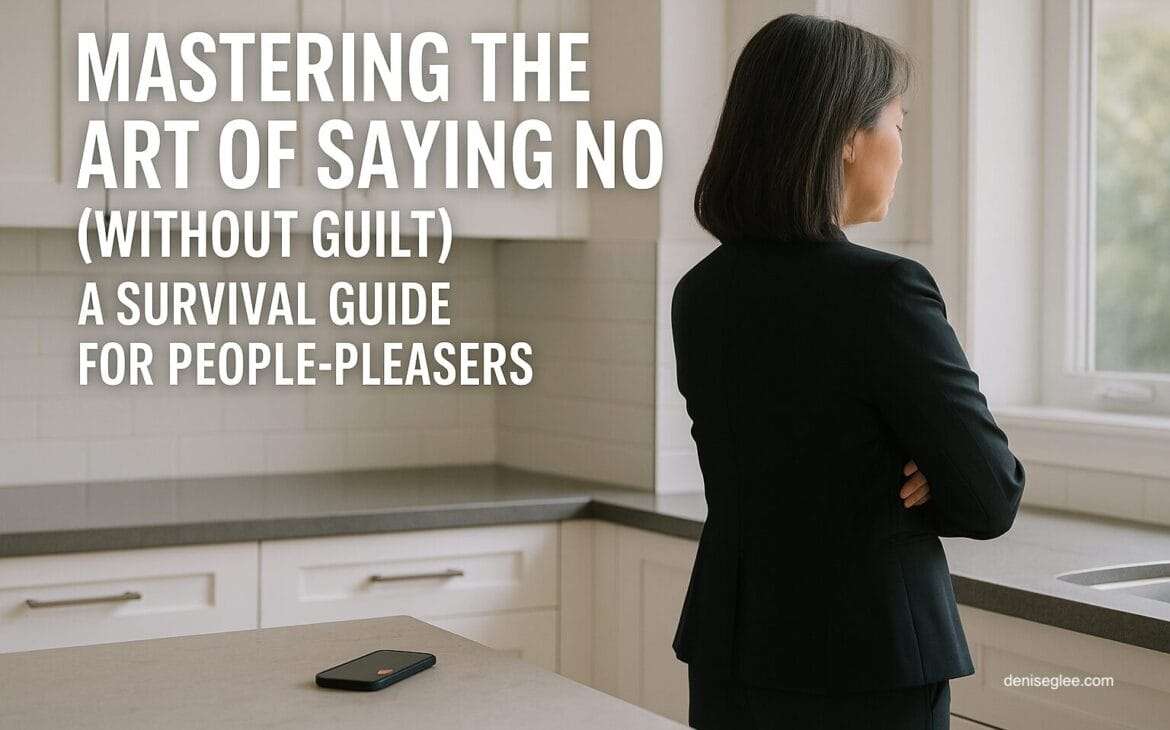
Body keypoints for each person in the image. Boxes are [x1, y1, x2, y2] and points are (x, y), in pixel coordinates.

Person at [672, 13, 1026, 729]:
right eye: (898, 125)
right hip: (871, 665)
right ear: (845, 139)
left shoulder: (701, 293)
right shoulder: (885, 292)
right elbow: (990, 495)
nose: (902, 149)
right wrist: (931, 478)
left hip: (734, 655)